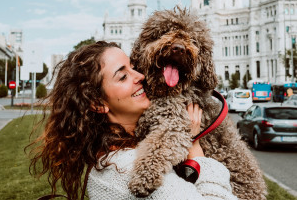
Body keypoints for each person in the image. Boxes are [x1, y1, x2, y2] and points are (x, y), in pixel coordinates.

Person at [28, 41, 237, 200]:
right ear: (98, 104)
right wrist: (196, 149)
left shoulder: (117, 153)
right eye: (122, 76)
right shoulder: (126, 170)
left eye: (132, 67)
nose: (139, 76)